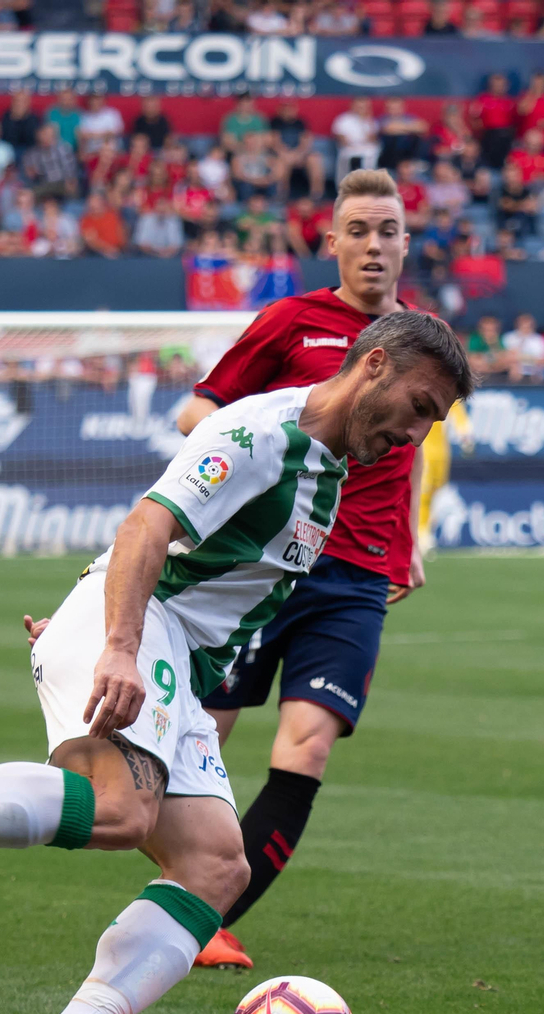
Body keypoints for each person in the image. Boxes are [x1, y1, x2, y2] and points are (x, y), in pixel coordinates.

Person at [0, 309, 473, 1014]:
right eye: (421, 407)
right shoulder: (259, 433)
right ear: (375, 367)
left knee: (218, 866)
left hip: (174, 655)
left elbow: (220, 585)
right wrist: (114, 638)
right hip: (141, 627)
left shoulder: (331, 473)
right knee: (122, 811)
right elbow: (147, 525)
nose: (418, 433)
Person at [160, 170, 431, 969]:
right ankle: (187, 887)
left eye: (387, 229)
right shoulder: (291, 321)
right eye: (359, 229)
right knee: (201, 738)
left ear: (405, 243)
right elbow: (198, 411)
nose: (374, 244)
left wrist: (407, 545)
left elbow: (414, 446)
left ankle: (206, 918)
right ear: (333, 241)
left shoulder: (422, 339)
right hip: (265, 564)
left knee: (307, 746)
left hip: (353, 577)